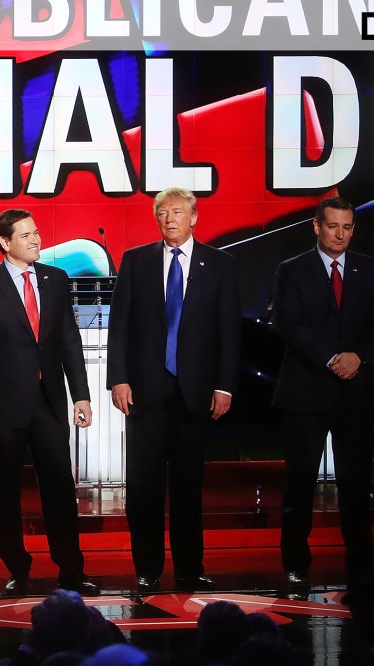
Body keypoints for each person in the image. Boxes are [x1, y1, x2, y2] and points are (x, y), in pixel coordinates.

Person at [107, 187, 242, 593]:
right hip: (145, 392)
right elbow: (120, 325)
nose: (170, 219)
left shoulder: (219, 264)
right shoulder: (135, 261)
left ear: (194, 217)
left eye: (178, 212)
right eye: (163, 213)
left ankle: (189, 569)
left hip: (195, 392)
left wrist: (224, 386)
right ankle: (147, 569)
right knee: (144, 486)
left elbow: (229, 331)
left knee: (188, 487)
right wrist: (118, 378)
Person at [0, 209, 98, 597]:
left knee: (60, 488)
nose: (36, 240)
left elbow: (69, 339)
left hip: (49, 403)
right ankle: (18, 570)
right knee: (7, 492)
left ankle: (71, 569)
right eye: (26, 235)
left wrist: (81, 394)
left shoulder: (56, 279)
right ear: (5, 242)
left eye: (36, 233)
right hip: (2, 408)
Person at [271, 196, 374, 589]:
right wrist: (330, 358)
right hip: (305, 391)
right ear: (317, 227)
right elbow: (288, 323)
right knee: (300, 484)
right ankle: (295, 565)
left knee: (356, 486)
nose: (340, 234)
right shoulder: (292, 269)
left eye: (347, 227)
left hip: (356, 392)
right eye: (333, 226)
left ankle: (362, 569)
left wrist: (358, 357)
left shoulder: (369, 268)